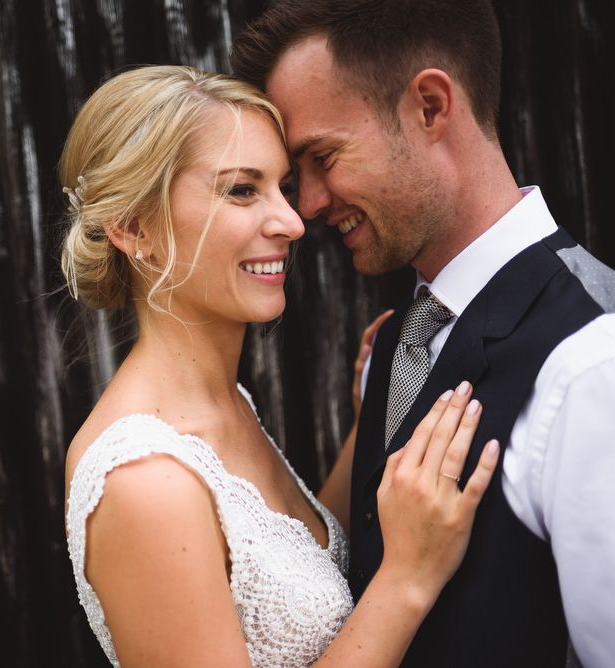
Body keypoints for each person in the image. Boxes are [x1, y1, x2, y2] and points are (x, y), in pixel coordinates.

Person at [60, 65, 500, 667]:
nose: (292, 223)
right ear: (135, 228)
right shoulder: (143, 481)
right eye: (242, 190)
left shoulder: (225, 405)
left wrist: (376, 414)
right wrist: (407, 578)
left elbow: (281, 575)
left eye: (281, 187)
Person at [231, 1, 615, 666]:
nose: (308, 204)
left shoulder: (592, 366)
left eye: (323, 157)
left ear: (431, 106)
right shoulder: (397, 345)